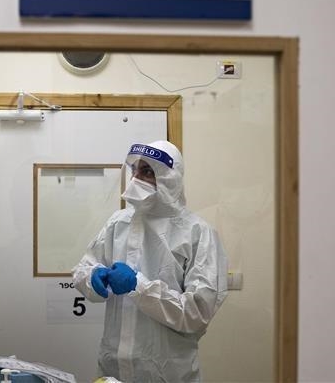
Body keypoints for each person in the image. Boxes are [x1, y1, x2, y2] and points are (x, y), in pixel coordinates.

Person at [72, 140, 228, 382]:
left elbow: (196, 313)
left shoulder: (197, 233)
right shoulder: (118, 223)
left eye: (147, 171)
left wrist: (138, 286)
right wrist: (91, 277)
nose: (136, 178)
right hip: (114, 366)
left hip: (168, 372)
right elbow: (84, 268)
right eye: (135, 170)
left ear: (169, 178)